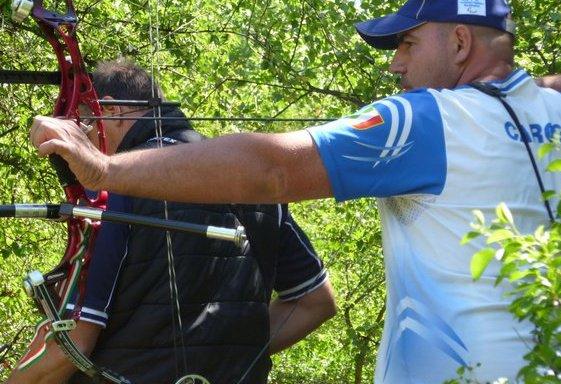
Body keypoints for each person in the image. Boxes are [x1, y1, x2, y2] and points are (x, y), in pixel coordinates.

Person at [29, 0, 561, 383]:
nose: (396, 66)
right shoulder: (548, 112)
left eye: (408, 44)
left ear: (461, 43)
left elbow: (273, 170)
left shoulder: (423, 119)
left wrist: (103, 168)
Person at [9, 59, 336, 384]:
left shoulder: (116, 187)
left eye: (83, 122)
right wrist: (232, 358)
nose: (85, 144)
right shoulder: (251, 178)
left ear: (111, 110)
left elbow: (71, 344)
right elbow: (314, 302)